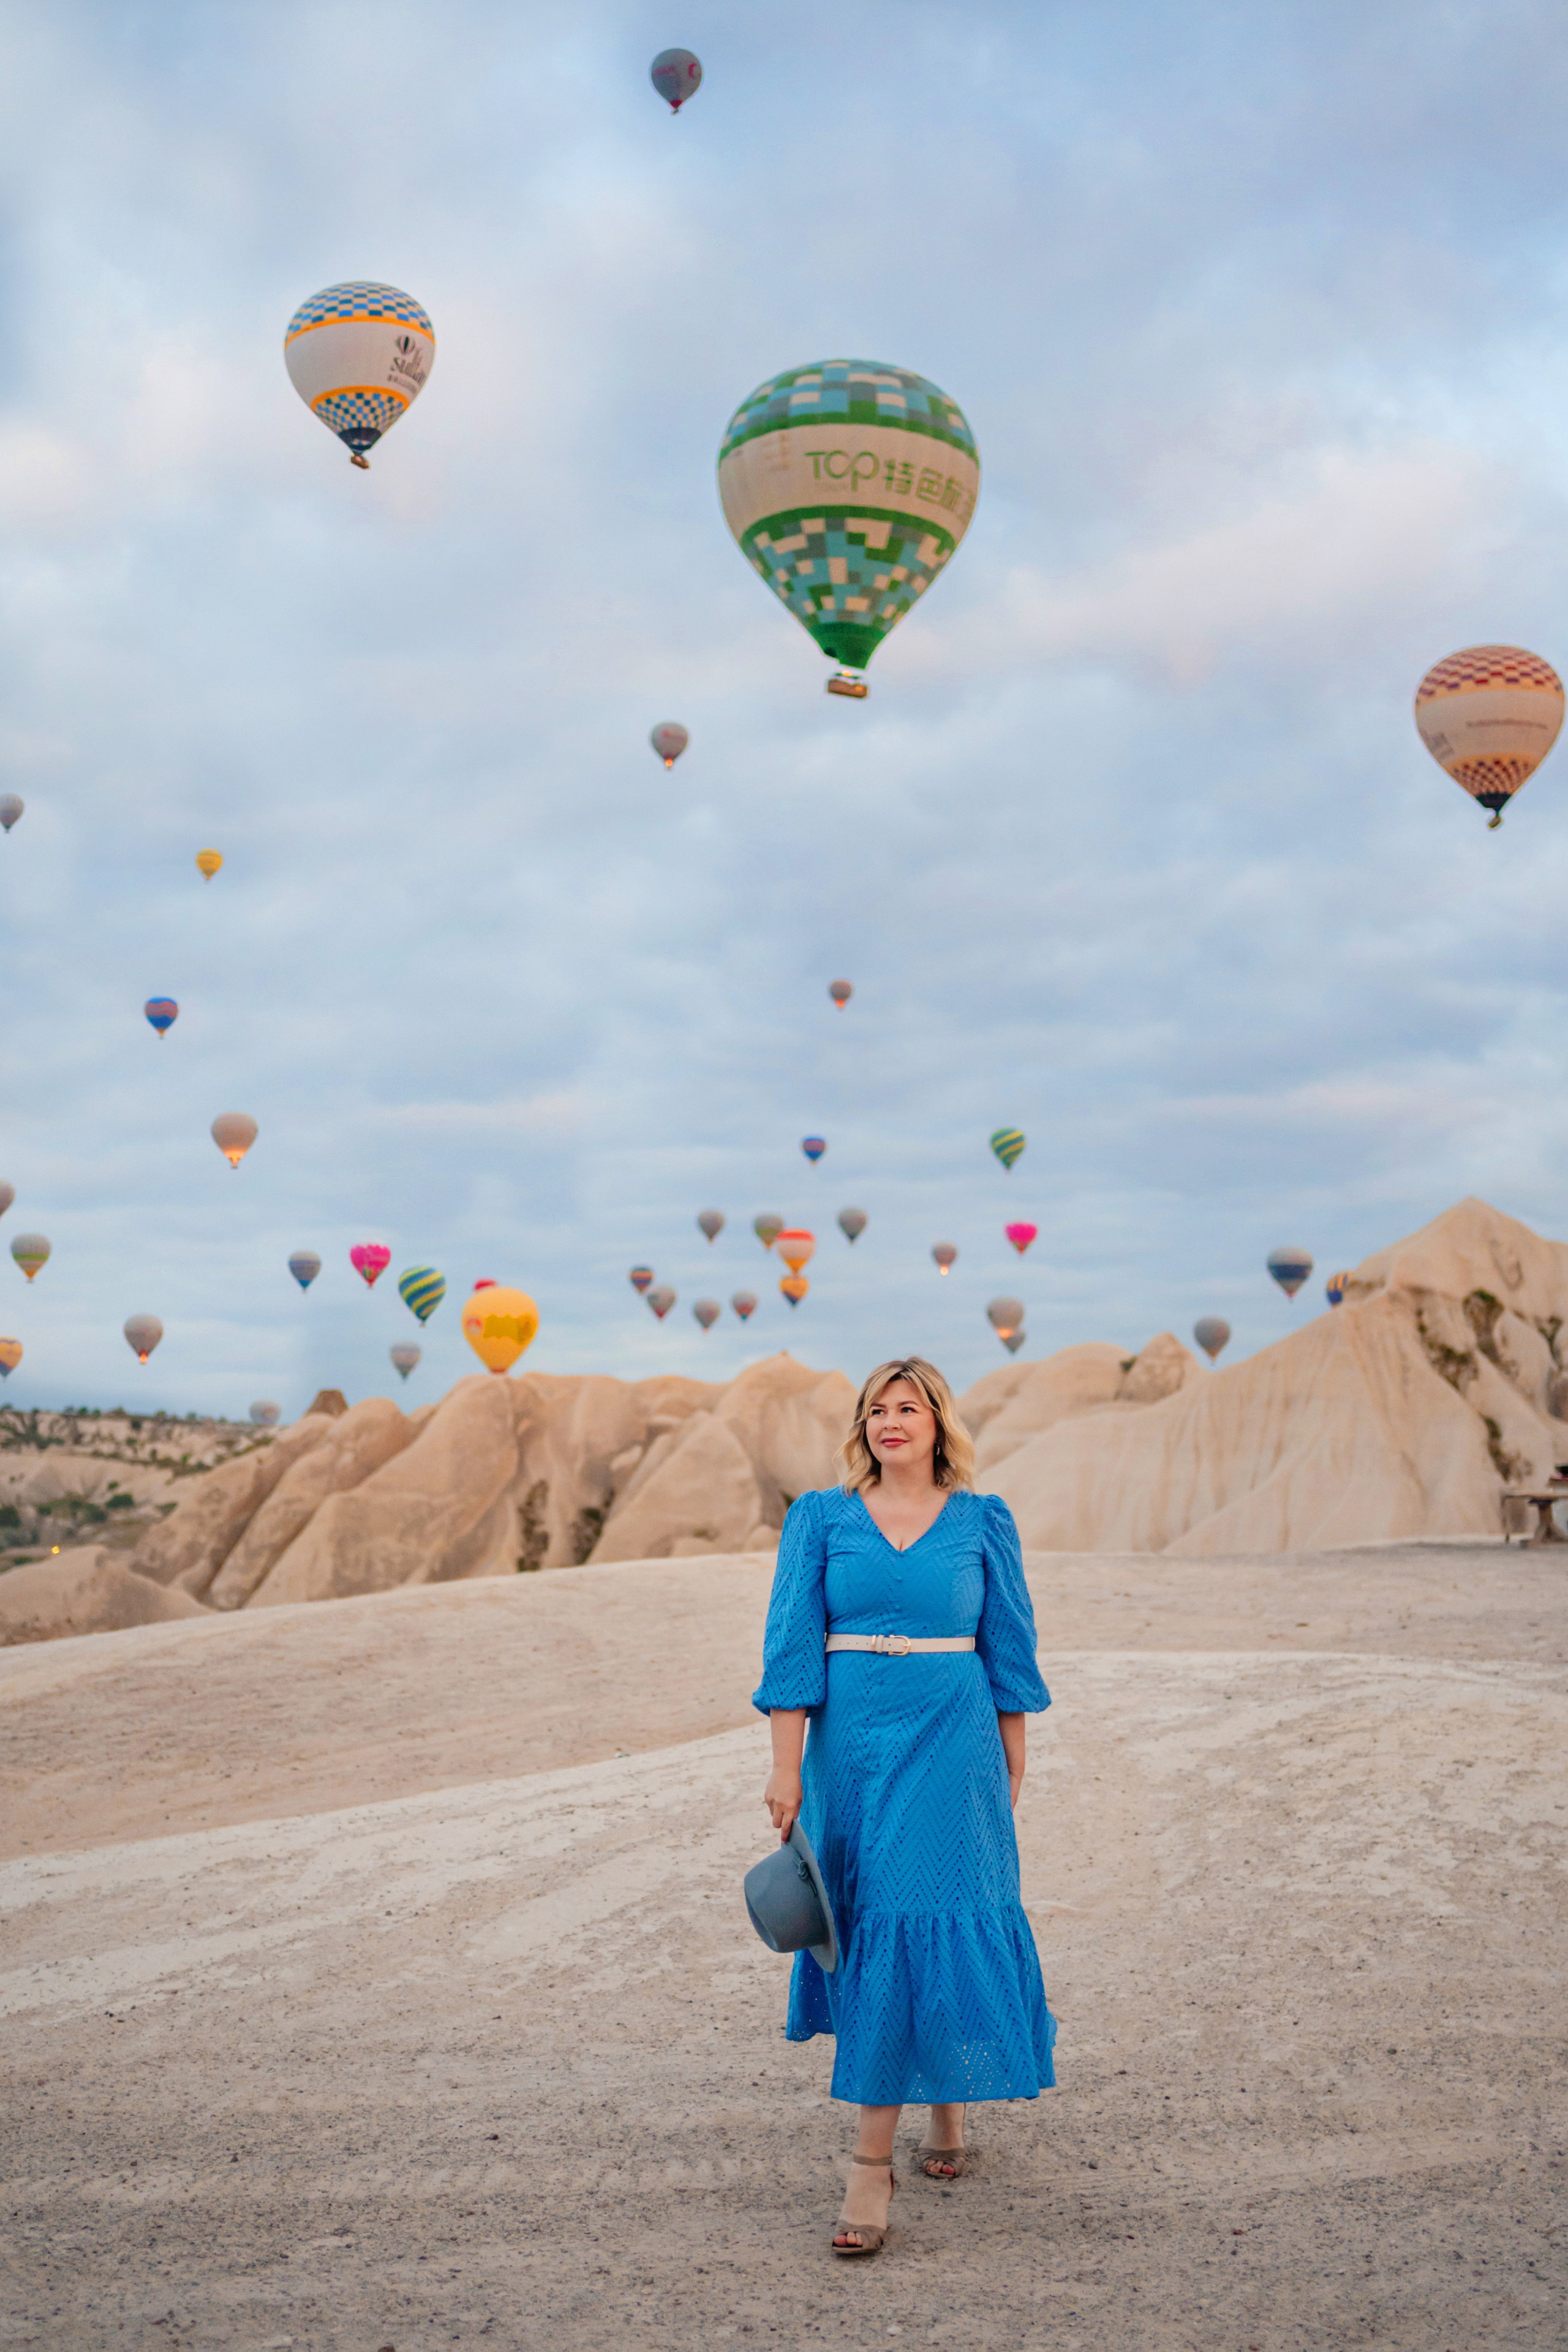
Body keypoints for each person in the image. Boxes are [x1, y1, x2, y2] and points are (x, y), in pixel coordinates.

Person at [753, 1355, 1056, 2257]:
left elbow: (1009, 1645)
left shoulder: (981, 1522)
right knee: (880, 1917)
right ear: (864, 1429)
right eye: (877, 1410)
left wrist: (1014, 1759)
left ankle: (871, 2167)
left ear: (938, 1425)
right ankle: (933, 2121)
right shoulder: (820, 1519)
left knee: (934, 1909)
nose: (892, 1422)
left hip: (953, 1741)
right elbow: (791, 1648)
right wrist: (786, 1768)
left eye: (909, 1408)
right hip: (853, 1744)